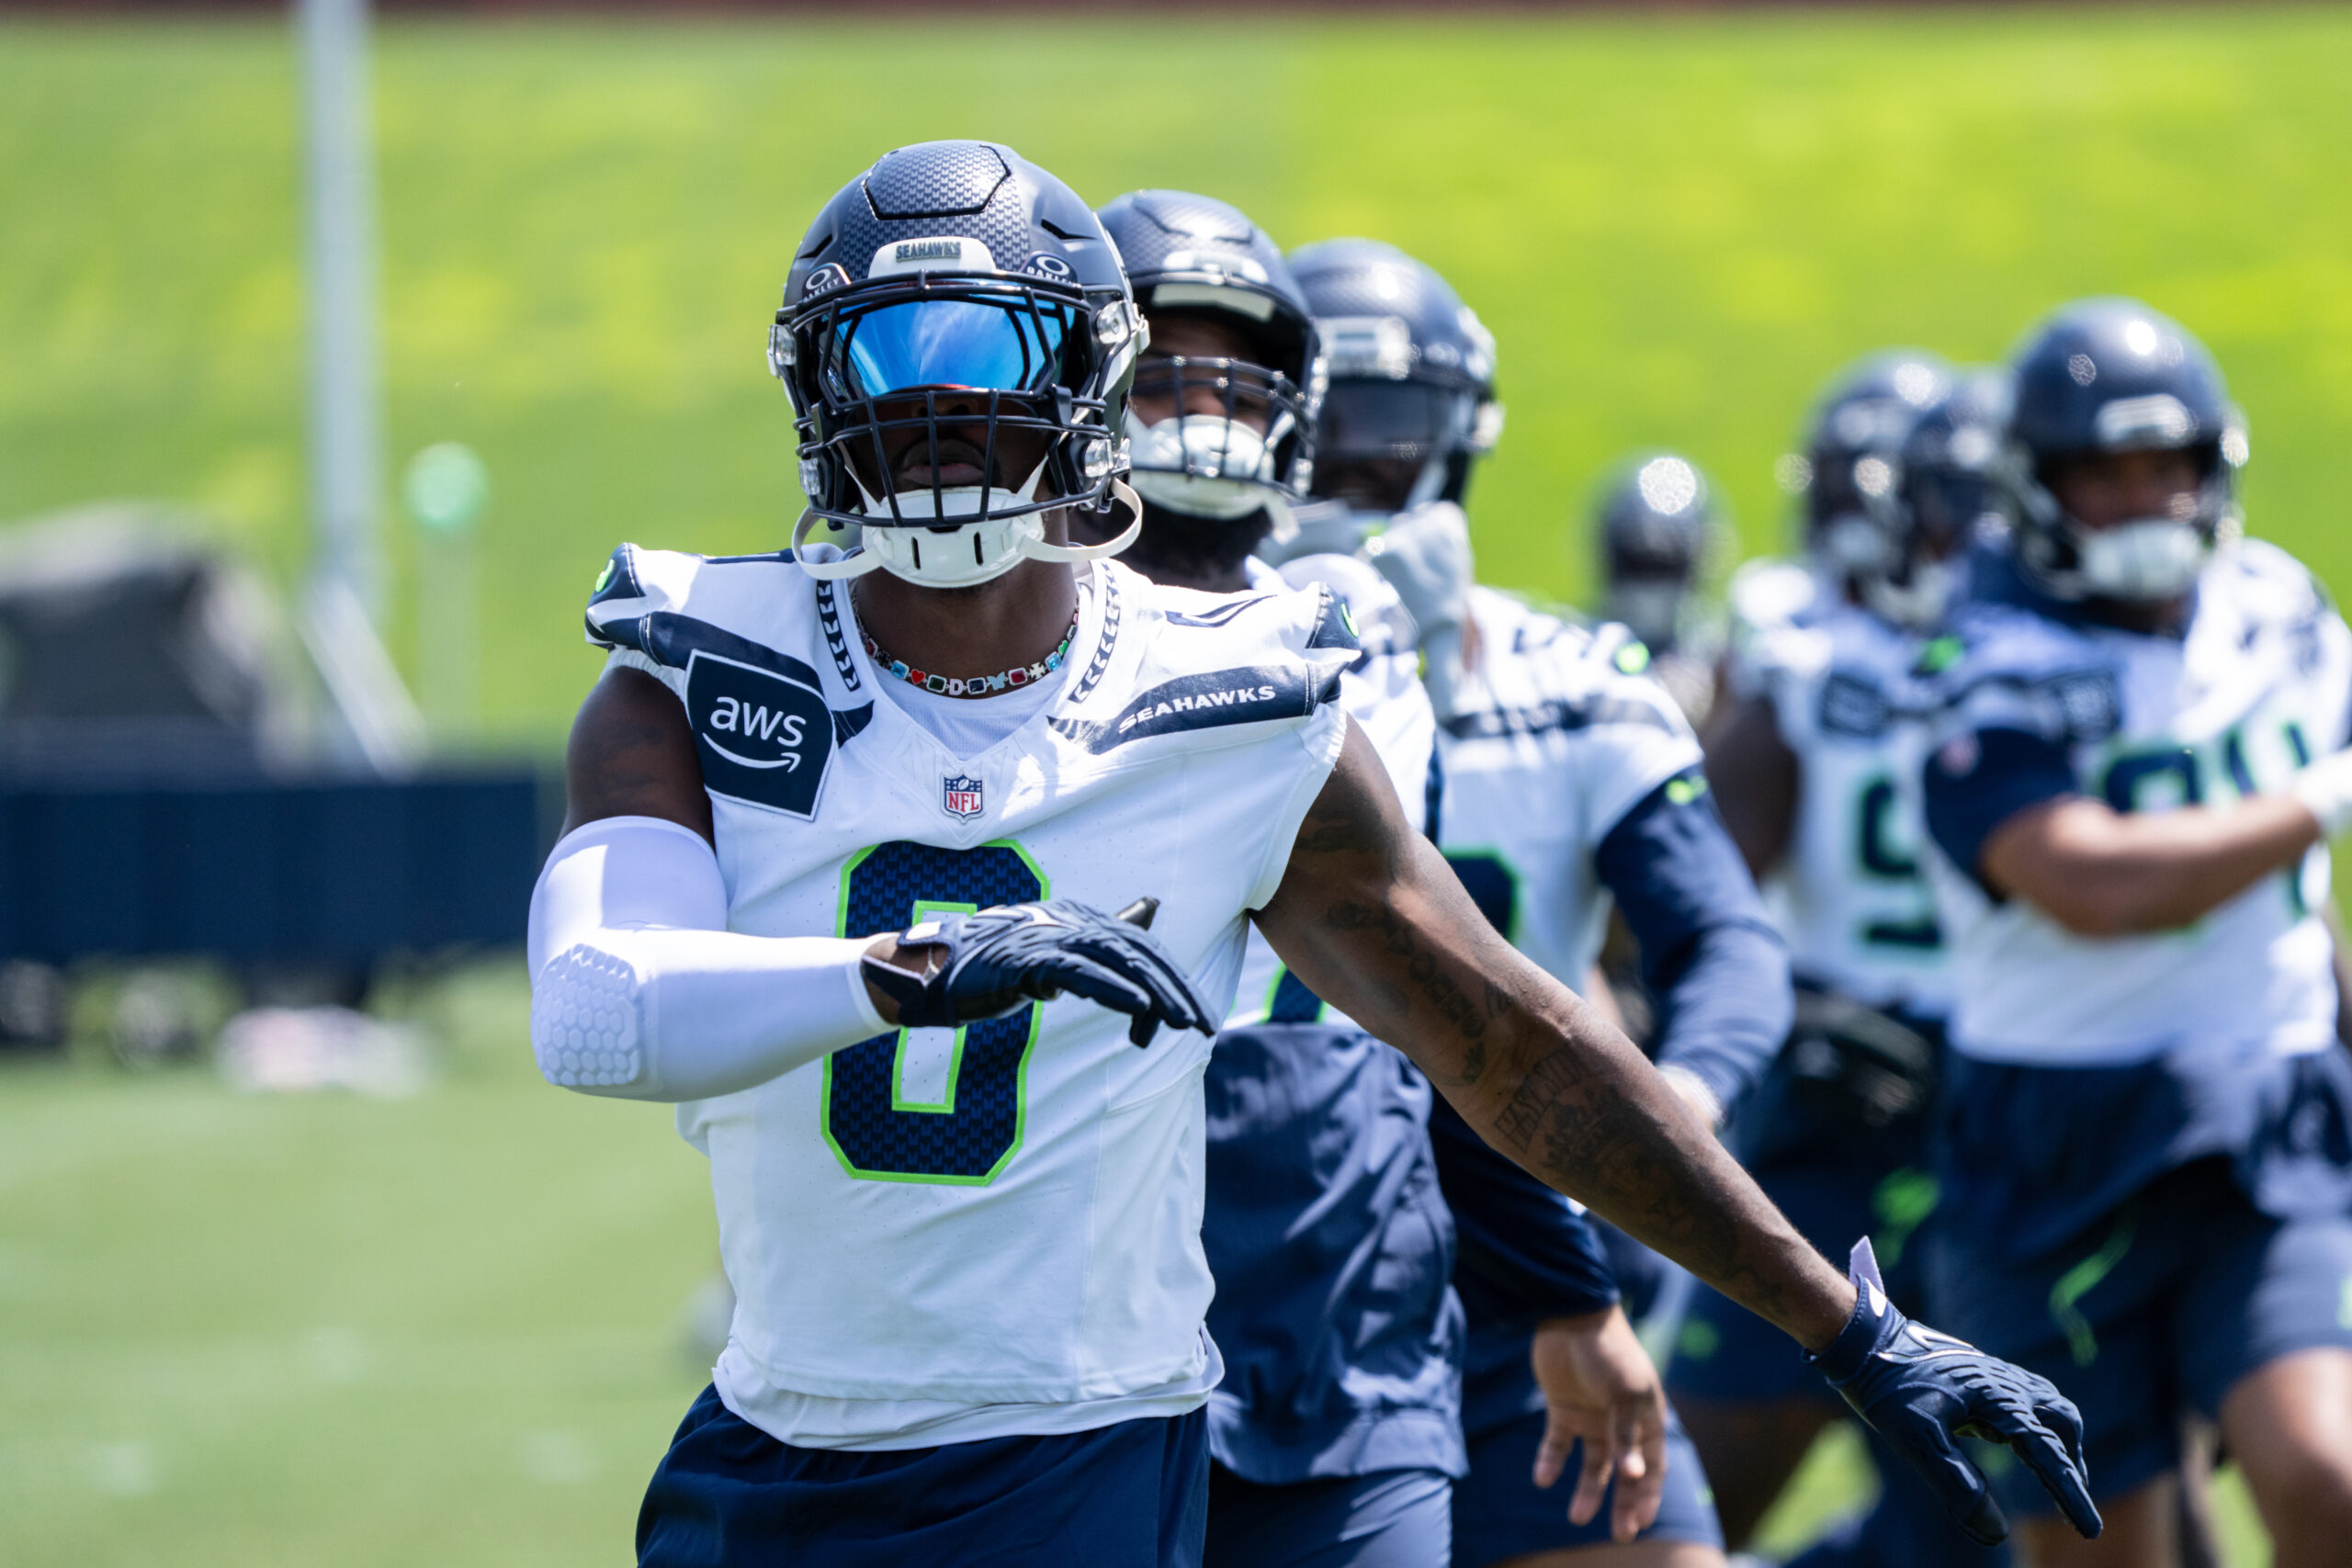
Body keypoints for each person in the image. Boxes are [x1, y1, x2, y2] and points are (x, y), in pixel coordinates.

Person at [526, 141, 2098, 1568]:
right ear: (813, 392)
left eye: (987, 358)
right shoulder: (701, 662)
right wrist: (914, 973)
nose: (938, 414)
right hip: (772, 1442)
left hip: (1078, 1439)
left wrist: (1844, 1324)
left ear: (1092, 380)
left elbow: (1507, 1040)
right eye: (888, 361)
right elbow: (598, 1003)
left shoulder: (1230, 695)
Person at [1291, 236, 1791, 1568]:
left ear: (1459, 447)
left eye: (1382, 440)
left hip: (1527, 1272)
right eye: (1313, 436)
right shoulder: (1181, 690)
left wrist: (1670, 1112)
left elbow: (1725, 937)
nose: (1345, 482)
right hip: (1291, 1275)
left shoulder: (1573, 677)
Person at [1917, 298, 2352, 1568]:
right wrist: (2323, 797)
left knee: (2323, 1469)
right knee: (2113, 1546)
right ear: (2034, 487)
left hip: (2263, 1105)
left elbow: (2300, 897)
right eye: (2103, 474)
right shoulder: (1977, 654)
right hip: (2054, 1138)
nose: (2144, 500)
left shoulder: (2278, 608)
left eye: (2169, 467)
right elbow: (2092, 883)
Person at [1592, 453, 1730, 732]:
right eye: (1639, 566)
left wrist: (1714, 707)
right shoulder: (1584, 647)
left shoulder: (1718, 652)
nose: (1651, 586)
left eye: (1664, 568)